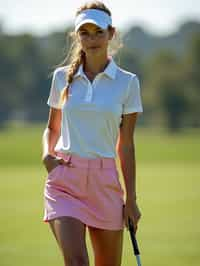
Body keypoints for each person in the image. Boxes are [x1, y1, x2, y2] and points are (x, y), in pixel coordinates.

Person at [42, 1, 143, 265]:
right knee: (77, 262)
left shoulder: (128, 82)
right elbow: (52, 128)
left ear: (111, 34)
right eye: (84, 33)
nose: (92, 39)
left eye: (98, 32)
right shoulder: (62, 77)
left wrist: (130, 200)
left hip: (105, 183)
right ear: (77, 37)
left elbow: (126, 145)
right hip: (65, 180)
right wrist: (46, 155)